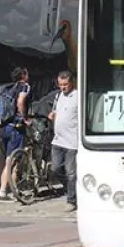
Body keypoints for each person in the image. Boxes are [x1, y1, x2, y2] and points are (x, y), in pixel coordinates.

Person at [0, 67, 31, 202]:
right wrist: (25, 118)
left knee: (9, 159)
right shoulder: (24, 87)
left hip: (5, 127)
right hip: (16, 127)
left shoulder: (7, 88)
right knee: (13, 161)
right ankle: (5, 191)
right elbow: (20, 102)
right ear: (24, 75)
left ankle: (10, 191)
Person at [49, 70, 78, 211]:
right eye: (60, 84)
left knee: (71, 172)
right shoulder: (58, 95)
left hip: (72, 141)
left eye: (65, 84)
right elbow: (56, 111)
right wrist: (52, 115)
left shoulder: (78, 96)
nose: (63, 87)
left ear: (71, 82)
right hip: (58, 140)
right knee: (55, 169)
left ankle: (72, 200)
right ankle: (71, 190)